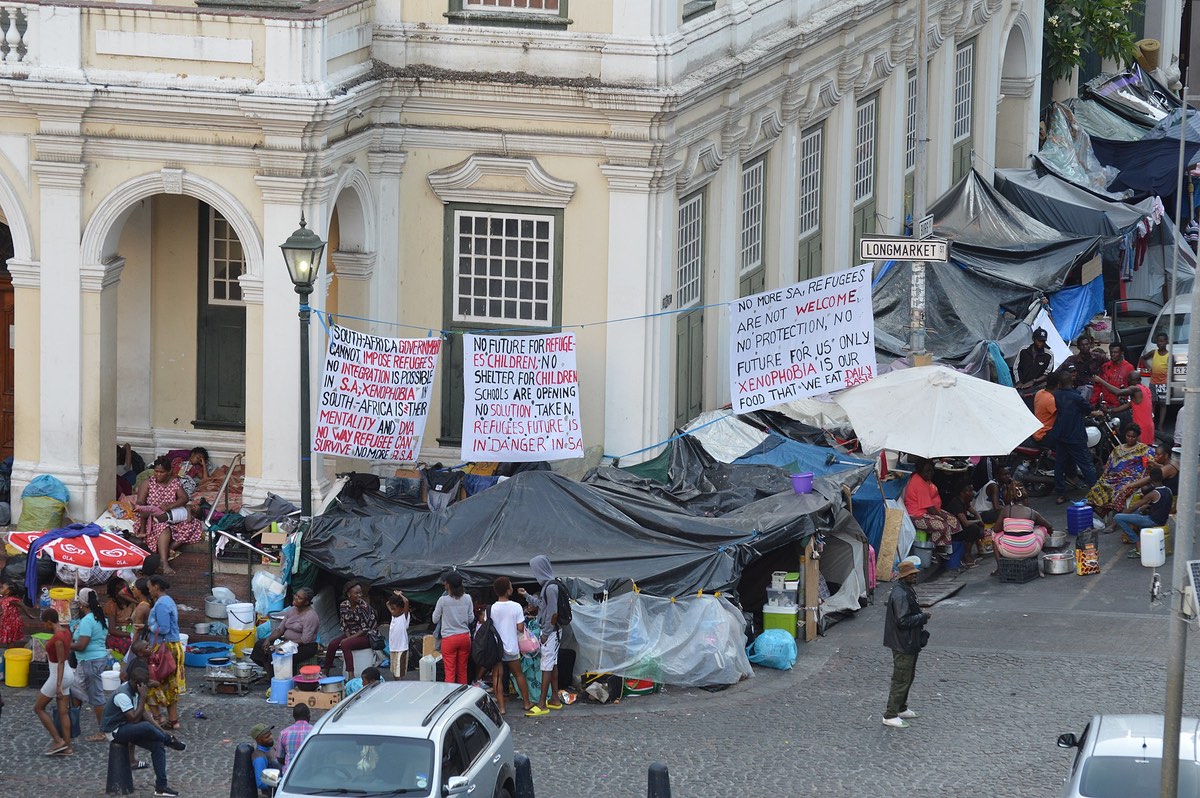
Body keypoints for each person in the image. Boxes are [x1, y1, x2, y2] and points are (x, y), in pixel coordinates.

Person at [101, 666, 184, 797]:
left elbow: (143, 713)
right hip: (115, 731)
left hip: (128, 728)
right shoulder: (123, 694)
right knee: (145, 726)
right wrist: (143, 697)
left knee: (158, 746)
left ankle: (161, 786)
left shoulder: (135, 689)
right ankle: (170, 742)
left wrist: (162, 731)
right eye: (144, 684)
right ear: (136, 683)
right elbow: (134, 718)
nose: (146, 687)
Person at [882, 560, 930, 729]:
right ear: (905, 576)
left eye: (915, 573)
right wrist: (923, 617)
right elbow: (903, 620)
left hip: (908, 641)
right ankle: (891, 714)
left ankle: (900, 708)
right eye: (912, 574)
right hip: (903, 642)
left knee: (907, 676)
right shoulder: (901, 594)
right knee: (901, 678)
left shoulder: (904, 590)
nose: (915, 576)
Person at [135, 456, 203, 574]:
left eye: (162, 472)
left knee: (192, 523)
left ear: (169, 472)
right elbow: (140, 501)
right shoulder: (148, 483)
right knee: (163, 527)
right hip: (152, 517)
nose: (159, 475)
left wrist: (169, 506)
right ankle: (164, 563)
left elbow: (184, 498)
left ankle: (171, 548)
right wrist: (143, 508)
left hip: (170, 515)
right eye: (156, 471)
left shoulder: (174, 482)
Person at [518, 556, 566, 714]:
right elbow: (541, 605)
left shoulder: (550, 588)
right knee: (553, 664)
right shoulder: (549, 585)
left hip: (551, 632)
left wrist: (545, 634)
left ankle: (542, 704)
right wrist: (526, 595)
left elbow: (552, 613)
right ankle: (555, 700)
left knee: (546, 665)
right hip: (553, 631)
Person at [1084, 424, 1154, 522]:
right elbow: (1109, 465)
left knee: (1119, 492)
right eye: (1128, 436)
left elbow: (1150, 465)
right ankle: (1087, 518)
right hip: (1113, 478)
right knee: (1097, 489)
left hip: (1130, 479)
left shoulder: (1144, 449)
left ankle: (1115, 521)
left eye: (1133, 437)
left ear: (1137, 437)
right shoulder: (1118, 449)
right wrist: (1104, 477)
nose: (1130, 439)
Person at [34, 608, 77, 756]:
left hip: (59, 675)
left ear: (49, 622)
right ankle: (67, 747)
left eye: (44, 624)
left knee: (38, 708)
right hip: (67, 673)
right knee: (63, 712)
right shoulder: (66, 632)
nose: (43, 626)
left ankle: (58, 740)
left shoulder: (58, 637)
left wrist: (58, 686)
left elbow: (60, 663)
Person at [489, 576, 534, 717]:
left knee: (497, 676)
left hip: (497, 647)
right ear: (508, 590)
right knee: (518, 674)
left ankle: (501, 707)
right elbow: (520, 628)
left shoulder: (491, 608)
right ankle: (527, 703)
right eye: (510, 586)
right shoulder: (516, 606)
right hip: (512, 646)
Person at [71, 586, 111, 742]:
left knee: (97, 697)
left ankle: (103, 731)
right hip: (94, 659)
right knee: (75, 689)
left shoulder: (88, 620)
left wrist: (66, 644)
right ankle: (73, 724)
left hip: (90, 660)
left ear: (82, 603)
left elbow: (81, 645)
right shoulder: (100, 617)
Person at [1051, 380, 1101, 504]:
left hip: (1061, 435)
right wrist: (1098, 413)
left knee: (1060, 466)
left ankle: (1060, 495)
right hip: (1075, 437)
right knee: (1086, 465)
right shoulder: (1077, 397)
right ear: (1071, 383)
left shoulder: (1056, 394)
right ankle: (1096, 493)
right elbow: (1088, 409)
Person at [146, 575, 184, 730]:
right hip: (172, 647)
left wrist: (150, 628)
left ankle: (157, 717)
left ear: (156, 586)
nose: (149, 590)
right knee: (171, 685)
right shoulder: (169, 601)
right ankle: (173, 720)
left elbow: (164, 628)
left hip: (164, 648)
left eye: (149, 587)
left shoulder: (161, 604)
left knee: (151, 682)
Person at [990, 483, 1053, 574]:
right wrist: (1049, 532)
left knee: (994, 535)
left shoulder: (1006, 510)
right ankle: (1034, 564)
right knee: (1042, 528)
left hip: (1008, 551)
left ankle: (1000, 569)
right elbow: (1049, 526)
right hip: (1031, 550)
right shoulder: (1032, 512)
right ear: (1026, 499)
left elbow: (996, 529)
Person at [250, 587, 318, 670]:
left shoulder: (311, 616)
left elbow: (305, 640)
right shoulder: (291, 610)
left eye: (299, 598)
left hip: (304, 647)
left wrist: (285, 644)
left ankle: (275, 678)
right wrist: (268, 639)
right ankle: (269, 674)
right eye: (296, 595)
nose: (296, 598)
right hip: (287, 642)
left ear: (306, 602)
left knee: (276, 653)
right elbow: (280, 629)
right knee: (260, 645)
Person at [1112, 467, 1173, 560]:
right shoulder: (1169, 490)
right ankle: (1141, 540)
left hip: (1152, 521)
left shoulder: (1153, 493)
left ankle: (1136, 542)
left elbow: (1134, 507)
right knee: (1139, 512)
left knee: (1118, 517)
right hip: (1162, 520)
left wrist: (1123, 516)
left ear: (1151, 480)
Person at [902, 459, 961, 551]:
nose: (930, 473)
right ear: (920, 471)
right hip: (917, 515)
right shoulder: (919, 483)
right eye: (927, 471)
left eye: (931, 471)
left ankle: (943, 546)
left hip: (927, 511)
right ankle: (931, 548)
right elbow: (929, 507)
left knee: (953, 521)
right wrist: (941, 516)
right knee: (943, 526)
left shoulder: (924, 479)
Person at [323, 581, 376, 679]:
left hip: (366, 636)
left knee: (345, 644)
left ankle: (350, 674)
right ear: (349, 594)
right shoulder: (343, 605)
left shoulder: (363, 606)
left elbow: (365, 629)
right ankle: (326, 671)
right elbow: (344, 625)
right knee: (332, 644)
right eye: (356, 593)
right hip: (351, 634)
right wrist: (348, 637)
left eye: (360, 593)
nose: (359, 595)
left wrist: (348, 639)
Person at [432, 572, 474, 685]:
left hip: (449, 639)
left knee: (450, 671)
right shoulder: (468, 598)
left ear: (448, 585)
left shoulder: (443, 600)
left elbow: (434, 619)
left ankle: (450, 696)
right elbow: (471, 619)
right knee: (462, 670)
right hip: (465, 637)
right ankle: (463, 696)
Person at [1093, 370, 1154, 445]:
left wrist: (1100, 380)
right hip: (1149, 426)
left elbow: (1118, 392)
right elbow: (1127, 406)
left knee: (1139, 452)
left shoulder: (1135, 389)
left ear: (1133, 381)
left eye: (1128, 380)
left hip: (1141, 428)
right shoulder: (1146, 389)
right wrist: (1110, 410)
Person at [943, 483, 984, 569]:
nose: (972, 493)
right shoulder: (956, 503)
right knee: (973, 529)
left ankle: (980, 548)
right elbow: (965, 523)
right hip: (953, 532)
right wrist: (979, 521)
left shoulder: (964, 501)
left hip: (960, 526)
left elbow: (975, 513)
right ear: (962, 493)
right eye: (969, 491)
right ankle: (966, 556)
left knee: (976, 524)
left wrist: (980, 522)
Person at [1140, 332, 1173, 418]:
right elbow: (1142, 358)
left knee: (1162, 404)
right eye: (1158, 341)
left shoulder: (1169, 356)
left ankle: (1160, 426)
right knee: (1152, 403)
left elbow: (1171, 372)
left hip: (1164, 383)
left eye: (1162, 341)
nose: (1159, 343)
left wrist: (1170, 386)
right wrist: (1148, 367)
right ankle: (1152, 422)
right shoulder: (1153, 352)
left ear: (1166, 342)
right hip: (1153, 382)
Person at [1093, 343, 1135, 410]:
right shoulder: (1105, 366)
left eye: (1115, 352)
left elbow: (1133, 388)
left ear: (1122, 353)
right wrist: (1094, 402)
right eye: (1111, 352)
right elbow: (1098, 386)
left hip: (1120, 406)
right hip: (1105, 405)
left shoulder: (1129, 368)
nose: (1113, 354)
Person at [104, 576, 137, 656]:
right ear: (116, 593)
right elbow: (112, 630)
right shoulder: (111, 605)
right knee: (131, 645)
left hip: (131, 630)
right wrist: (130, 635)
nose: (126, 592)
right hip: (118, 635)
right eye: (123, 590)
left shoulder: (132, 603)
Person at [1015, 328, 1054, 394]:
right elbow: (1016, 368)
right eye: (1039, 341)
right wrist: (1019, 381)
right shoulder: (1023, 350)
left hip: (1037, 388)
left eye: (1043, 341)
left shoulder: (1048, 355)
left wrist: (1034, 381)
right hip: (1021, 385)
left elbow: (1047, 373)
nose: (1041, 343)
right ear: (1033, 339)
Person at [276, 704, 313, 774]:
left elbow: (280, 757)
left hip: (289, 775)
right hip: (311, 774)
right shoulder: (315, 732)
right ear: (308, 716)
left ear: (294, 716)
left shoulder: (284, 733)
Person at [250, 722, 282, 796]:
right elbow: (260, 783)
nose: (271, 737)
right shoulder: (259, 758)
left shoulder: (271, 748)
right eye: (267, 737)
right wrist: (279, 783)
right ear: (259, 740)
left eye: (270, 734)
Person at [1029, 372, 1061, 448]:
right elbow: (1065, 414)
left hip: (1037, 431)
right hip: (1045, 434)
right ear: (1058, 385)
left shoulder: (1040, 393)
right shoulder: (1051, 400)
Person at [386, 591, 410, 681]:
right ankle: (396, 685)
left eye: (394, 609)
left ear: (401, 609)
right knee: (394, 670)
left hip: (401, 648)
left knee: (400, 671)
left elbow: (406, 602)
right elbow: (387, 603)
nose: (392, 611)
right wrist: (395, 596)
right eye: (391, 609)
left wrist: (400, 595)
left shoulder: (404, 617)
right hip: (393, 648)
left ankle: (400, 686)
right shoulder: (394, 616)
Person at [0, 578, 31, 646]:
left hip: (12, 623)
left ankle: (12, 653)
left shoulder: (11, 600)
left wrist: (29, 615)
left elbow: (22, 605)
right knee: (9, 639)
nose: (0, 589)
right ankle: (10, 651)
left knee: (11, 640)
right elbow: (5, 610)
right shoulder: (4, 599)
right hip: (7, 622)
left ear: (7, 591)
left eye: (2, 588)